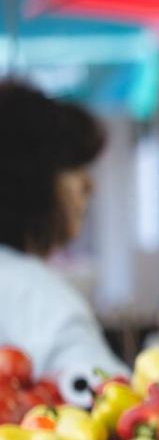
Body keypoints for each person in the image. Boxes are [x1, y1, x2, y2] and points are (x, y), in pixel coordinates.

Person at [0, 80, 128, 406]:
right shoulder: (34, 293)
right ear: (29, 178)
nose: (89, 186)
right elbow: (111, 402)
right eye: (72, 165)